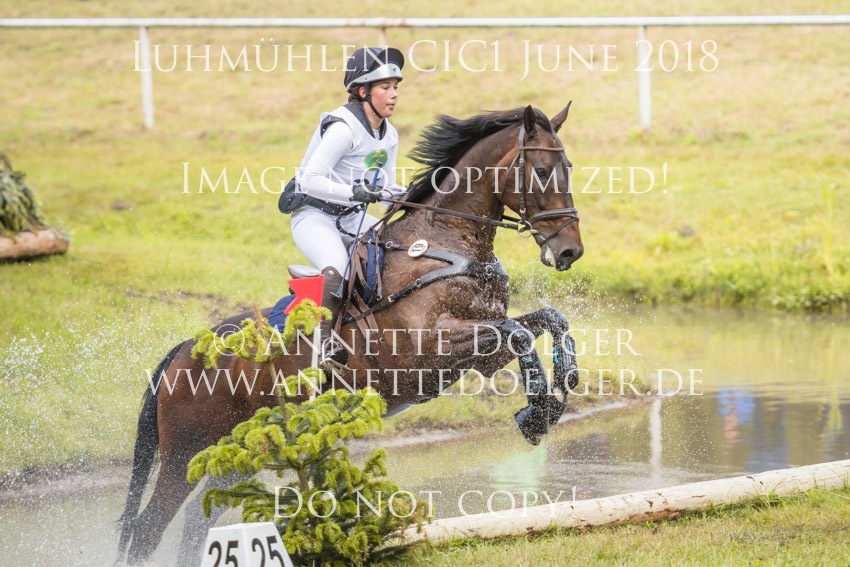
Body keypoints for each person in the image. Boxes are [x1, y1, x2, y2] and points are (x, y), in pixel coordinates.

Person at [287, 46, 407, 362]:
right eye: (385, 87)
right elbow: (309, 180)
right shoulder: (343, 127)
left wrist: (412, 195)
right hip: (315, 217)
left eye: (396, 86)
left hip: (352, 218)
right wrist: (355, 192)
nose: (394, 94)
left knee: (397, 248)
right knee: (338, 267)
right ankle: (323, 348)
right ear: (363, 91)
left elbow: (385, 187)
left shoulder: (390, 135)